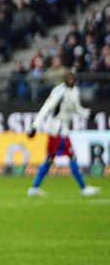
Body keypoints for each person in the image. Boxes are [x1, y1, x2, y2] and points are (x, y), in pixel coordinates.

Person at [27, 69, 100, 197]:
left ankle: (34, 187)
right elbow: (46, 107)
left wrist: (88, 114)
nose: (71, 80)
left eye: (73, 78)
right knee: (71, 156)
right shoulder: (59, 91)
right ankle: (83, 188)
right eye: (68, 78)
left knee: (49, 159)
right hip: (57, 130)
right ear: (65, 79)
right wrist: (34, 126)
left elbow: (76, 109)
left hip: (63, 129)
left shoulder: (75, 91)